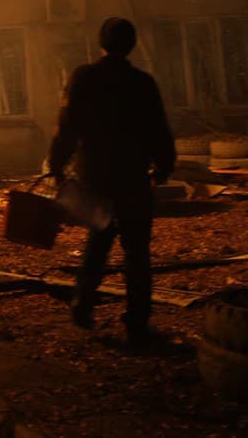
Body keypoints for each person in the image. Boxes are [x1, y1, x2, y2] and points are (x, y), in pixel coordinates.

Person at [48, 17, 176, 347]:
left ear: (101, 43)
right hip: (132, 176)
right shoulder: (142, 82)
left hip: (95, 175)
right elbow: (158, 128)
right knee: (137, 252)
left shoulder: (84, 78)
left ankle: (82, 304)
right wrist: (164, 166)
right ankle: (137, 323)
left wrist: (57, 165)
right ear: (131, 45)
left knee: (98, 240)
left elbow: (66, 125)